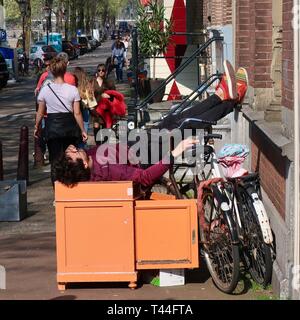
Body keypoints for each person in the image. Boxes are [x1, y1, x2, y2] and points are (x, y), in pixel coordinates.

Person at [54, 138, 198, 188]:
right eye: (74, 152)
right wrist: (174, 154)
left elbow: (62, 173)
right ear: (84, 164)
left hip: (132, 150)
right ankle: (218, 99)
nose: (74, 148)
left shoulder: (89, 168)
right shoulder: (106, 170)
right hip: (139, 158)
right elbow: (144, 177)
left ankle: (218, 100)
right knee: (178, 125)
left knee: (174, 124)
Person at [34, 57, 88, 185]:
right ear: (65, 71)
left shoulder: (45, 90)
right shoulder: (72, 90)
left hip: (53, 128)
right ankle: (72, 185)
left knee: (55, 161)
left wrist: (37, 126)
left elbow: (40, 112)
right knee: (71, 159)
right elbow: (77, 113)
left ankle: (57, 191)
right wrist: (83, 130)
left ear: (51, 71)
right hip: (70, 128)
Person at [73, 67, 98, 148]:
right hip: (83, 112)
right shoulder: (87, 87)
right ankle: (82, 150)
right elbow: (91, 105)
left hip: (72, 112)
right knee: (83, 134)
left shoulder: (71, 86)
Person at [92, 63, 116, 144]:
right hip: (95, 108)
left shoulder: (109, 82)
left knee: (105, 128)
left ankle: (105, 146)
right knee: (96, 126)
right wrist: (89, 106)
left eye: (103, 70)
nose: (101, 72)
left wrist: (109, 96)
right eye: (99, 70)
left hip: (106, 109)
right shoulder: (92, 82)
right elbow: (88, 94)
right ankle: (98, 146)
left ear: (105, 72)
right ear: (97, 71)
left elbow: (114, 95)